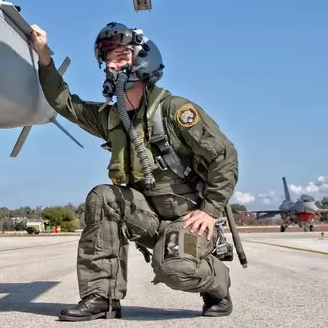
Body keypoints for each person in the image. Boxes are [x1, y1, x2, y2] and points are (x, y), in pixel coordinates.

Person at [29, 22, 238, 321]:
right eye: (108, 58)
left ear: (142, 59)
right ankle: (102, 298)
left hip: (188, 218)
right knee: (103, 197)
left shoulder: (175, 111)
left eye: (121, 56)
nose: (112, 64)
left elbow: (224, 156)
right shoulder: (111, 117)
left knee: (176, 270)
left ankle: (218, 283)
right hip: (147, 216)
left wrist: (210, 209)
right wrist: (44, 56)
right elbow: (65, 103)